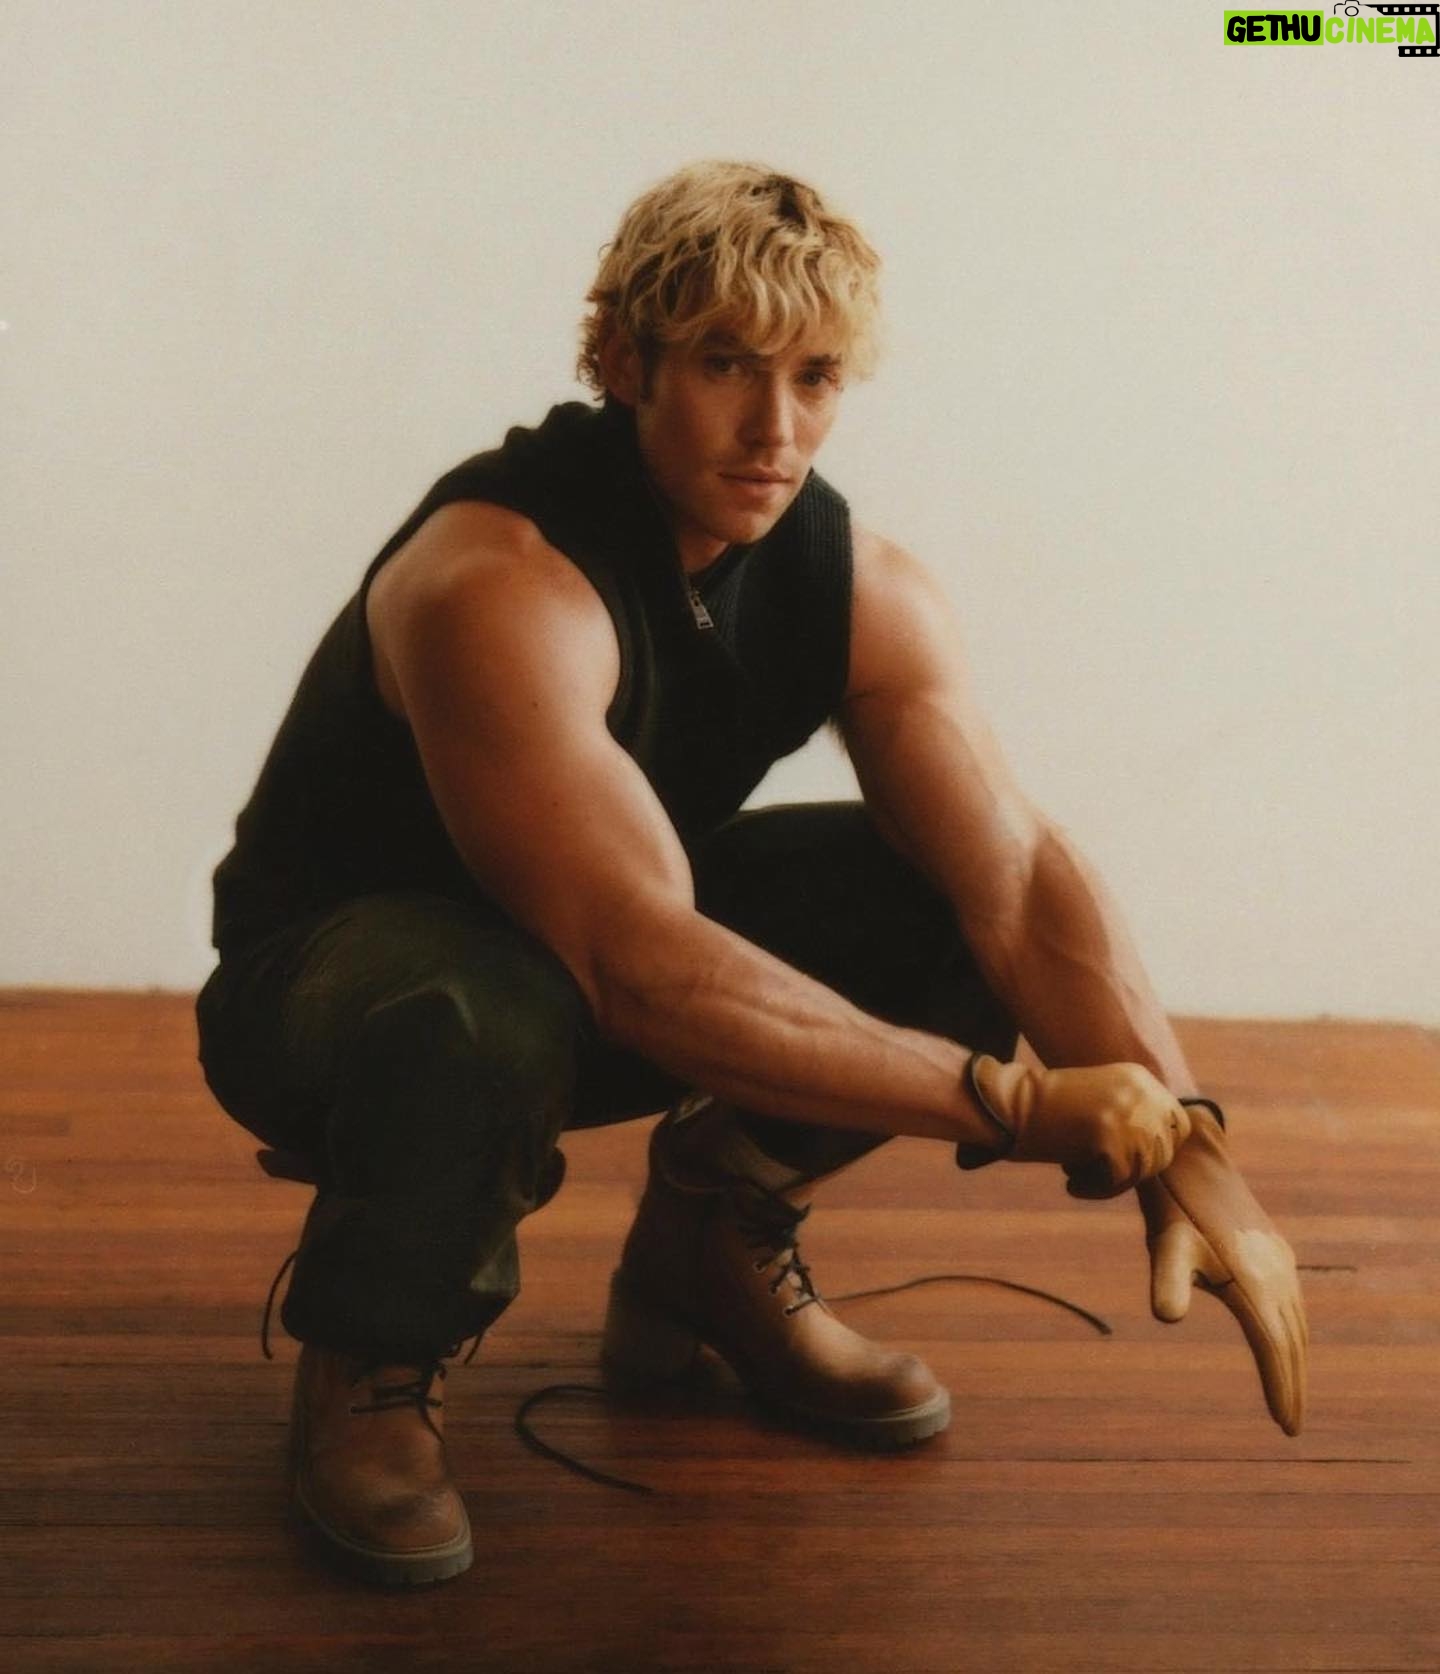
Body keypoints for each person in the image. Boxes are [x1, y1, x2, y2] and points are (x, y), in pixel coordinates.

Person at [195, 161, 1308, 1588]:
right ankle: (374, 1350)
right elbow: (634, 959)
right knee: (479, 1002)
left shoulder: (857, 583)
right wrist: (1017, 1102)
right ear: (624, 363)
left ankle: (710, 1254)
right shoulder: (498, 579)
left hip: (583, 962)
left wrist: (1199, 1154)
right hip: (339, 996)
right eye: (727, 364)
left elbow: (1020, 880)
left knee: (940, 903)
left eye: (816, 376)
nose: (776, 430)